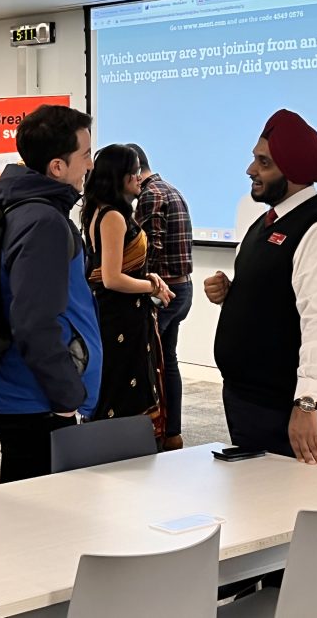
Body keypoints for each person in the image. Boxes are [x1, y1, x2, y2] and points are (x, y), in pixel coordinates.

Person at [206, 109, 317, 463]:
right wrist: (231, 292)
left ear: (291, 171)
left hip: (280, 403)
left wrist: (307, 403)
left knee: (280, 506)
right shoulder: (267, 221)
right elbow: (276, 292)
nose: (251, 170)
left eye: (264, 163)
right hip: (247, 395)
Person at [0, 105, 103, 483]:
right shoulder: (43, 221)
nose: (90, 165)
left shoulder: (25, 210)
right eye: (85, 155)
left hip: (27, 395)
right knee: (36, 525)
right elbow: (33, 321)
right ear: (57, 167)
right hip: (37, 402)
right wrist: (67, 398)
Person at [82, 144, 172, 435]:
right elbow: (111, 277)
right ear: (119, 177)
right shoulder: (112, 217)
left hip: (125, 313)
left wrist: (149, 279)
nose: (138, 178)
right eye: (133, 173)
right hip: (118, 315)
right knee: (120, 389)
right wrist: (150, 287)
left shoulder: (109, 211)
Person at [129, 143, 192, 450]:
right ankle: (172, 432)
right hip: (181, 288)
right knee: (168, 361)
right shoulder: (170, 189)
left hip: (163, 291)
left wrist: (138, 283)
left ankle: (153, 433)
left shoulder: (150, 195)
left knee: (149, 362)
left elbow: (148, 250)